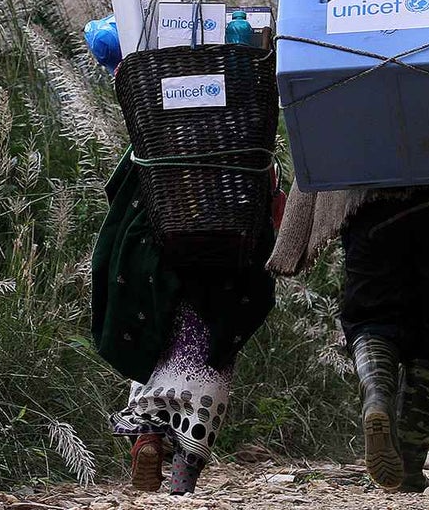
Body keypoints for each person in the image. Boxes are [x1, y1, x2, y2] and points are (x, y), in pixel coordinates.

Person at [267, 74, 429, 493]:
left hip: (369, 200)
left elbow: (316, 119)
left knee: (370, 318)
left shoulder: (352, 55)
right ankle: (410, 468)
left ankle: (377, 396)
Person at [92, 152, 285, 494]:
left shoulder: (162, 130)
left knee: (155, 339)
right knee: (210, 354)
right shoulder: (241, 136)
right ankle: (184, 473)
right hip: (229, 236)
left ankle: (148, 438)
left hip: (163, 223)